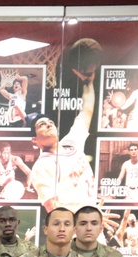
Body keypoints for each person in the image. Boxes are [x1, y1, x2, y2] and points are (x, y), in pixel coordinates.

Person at [27, 74, 97, 213]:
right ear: (35, 140)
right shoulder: (42, 166)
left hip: (91, 220)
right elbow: (53, 211)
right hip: (72, 230)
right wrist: (85, 221)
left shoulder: (72, 143)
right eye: (42, 124)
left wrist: (88, 83)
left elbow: (87, 110)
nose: (48, 125)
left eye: (50, 123)